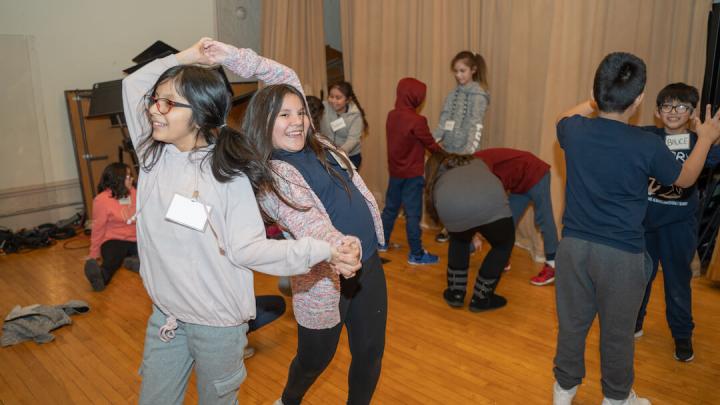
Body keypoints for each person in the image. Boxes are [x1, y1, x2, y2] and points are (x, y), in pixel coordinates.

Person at [122, 38, 360, 405]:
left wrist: (324, 250)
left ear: (200, 115)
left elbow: (250, 248)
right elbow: (132, 84)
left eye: (168, 103)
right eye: (156, 100)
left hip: (217, 325)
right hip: (167, 318)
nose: (155, 109)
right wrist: (190, 58)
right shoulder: (153, 156)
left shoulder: (227, 176)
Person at [551, 52, 720, 405]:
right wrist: (704, 138)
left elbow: (564, 116)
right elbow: (686, 178)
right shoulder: (646, 144)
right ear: (641, 100)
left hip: (572, 249)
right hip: (621, 256)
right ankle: (616, 398)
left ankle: (563, 392)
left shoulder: (574, 130)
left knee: (572, 326)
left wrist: (592, 100)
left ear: (596, 92)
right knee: (617, 334)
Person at [253, 83, 387, 404]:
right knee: (314, 360)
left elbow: (284, 77)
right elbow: (307, 222)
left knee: (370, 352)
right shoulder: (273, 176)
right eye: (284, 115)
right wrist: (338, 247)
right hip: (325, 279)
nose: (297, 120)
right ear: (264, 122)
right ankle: (287, 401)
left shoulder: (322, 143)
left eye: (300, 112)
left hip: (366, 265)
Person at [634, 83, 720, 362]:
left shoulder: (699, 143)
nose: (673, 111)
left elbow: (716, 156)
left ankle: (682, 336)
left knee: (677, 283)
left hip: (679, 226)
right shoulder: (647, 137)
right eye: (667, 106)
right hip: (645, 224)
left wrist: (709, 136)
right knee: (639, 278)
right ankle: (634, 323)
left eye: (681, 106)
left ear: (692, 112)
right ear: (657, 112)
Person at [424, 152, 515, 312]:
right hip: (491, 203)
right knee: (503, 245)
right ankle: (481, 298)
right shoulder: (476, 162)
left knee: (459, 240)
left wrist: (470, 231)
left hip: (454, 208)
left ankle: (455, 294)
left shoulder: (438, 178)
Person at [380, 77, 443, 265]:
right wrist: (447, 155)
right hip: (412, 176)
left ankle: (381, 243)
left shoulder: (391, 115)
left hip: (395, 173)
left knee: (390, 209)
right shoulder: (418, 120)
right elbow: (431, 145)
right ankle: (416, 253)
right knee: (413, 214)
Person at [474, 148, 560, 285]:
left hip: (535, 172)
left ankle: (553, 264)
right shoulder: (472, 169)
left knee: (544, 218)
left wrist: (476, 231)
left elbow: (490, 196)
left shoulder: (477, 164)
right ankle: (503, 259)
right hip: (519, 182)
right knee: (508, 221)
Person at [433, 50, 490, 242]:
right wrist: (433, 141)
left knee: (464, 193)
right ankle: (447, 226)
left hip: (465, 153)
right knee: (446, 191)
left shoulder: (479, 95)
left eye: (462, 71)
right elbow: (443, 121)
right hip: (447, 151)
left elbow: (476, 125)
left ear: (473, 70)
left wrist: (468, 153)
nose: (459, 75)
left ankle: (467, 230)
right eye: (456, 71)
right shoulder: (452, 95)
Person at [84, 162, 139, 291]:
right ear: (118, 179)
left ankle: (136, 263)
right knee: (113, 258)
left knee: (152, 254)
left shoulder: (135, 193)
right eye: (128, 176)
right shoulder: (101, 200)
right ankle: (101, 277)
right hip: (114, 240)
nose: (132, 179)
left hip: (136, 239)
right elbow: (98, 229)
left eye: (131, 176)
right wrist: (93, 254)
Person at [320, 81, 368, 169]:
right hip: (327, 154)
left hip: (350, 156)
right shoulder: (323, 107)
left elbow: (353, 139)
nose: (333, 100)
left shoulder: (355, 115)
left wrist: (338, 153)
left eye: (338, 98)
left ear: (348, 100)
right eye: (331, 96)